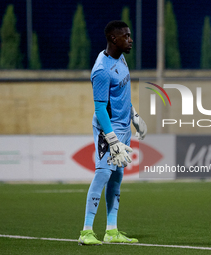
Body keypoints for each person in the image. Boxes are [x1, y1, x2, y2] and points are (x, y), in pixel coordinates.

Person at [78, 20, 147, 245]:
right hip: (108, 130)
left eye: (129, 35)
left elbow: (121, 96)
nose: (130, 40)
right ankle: (86, 231)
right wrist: (112, 138)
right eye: (126, 36)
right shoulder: (101, 71)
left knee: (117, 176)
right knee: (103, 173)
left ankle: (111, 231)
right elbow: (100, 109)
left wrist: (134, 116)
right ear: (112, 39)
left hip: (124, 127)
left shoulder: (121, 58)